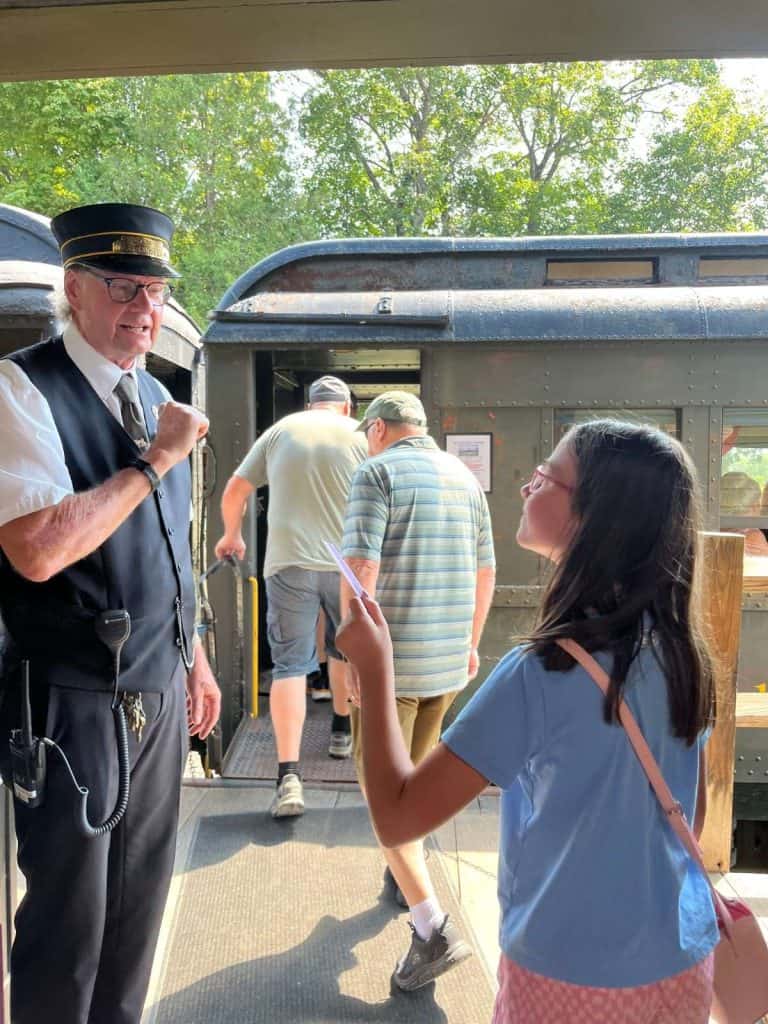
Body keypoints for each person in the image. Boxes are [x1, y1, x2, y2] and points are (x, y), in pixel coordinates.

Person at [337, 418, 719, 1020]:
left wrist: (375, 667)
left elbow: (397, 813)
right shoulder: (680, 649)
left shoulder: (542, 671)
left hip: (567, 973)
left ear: (592, 517)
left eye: (545, 477)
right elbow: (686, 816)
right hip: (680, 960)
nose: (527, 487)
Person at [0, 202, 221, 1024]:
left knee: (137, 910)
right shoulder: (22, 389)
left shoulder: (155, 393)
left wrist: (193, 656)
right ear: (75, 290)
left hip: (158, 688)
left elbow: (171, 541)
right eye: (125, 287)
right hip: (72, 697)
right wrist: (155, 458)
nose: (145, 307)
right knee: (70, 925)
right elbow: (38, 550)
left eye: (156, 290)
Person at [339, 390, 496, 991]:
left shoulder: (375, 473)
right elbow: (487, 571)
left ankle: (433, 930)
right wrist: (470, 642)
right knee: (416, 781)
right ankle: (399, 877)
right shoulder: (461, 474)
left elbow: (360, 570)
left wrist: (357, 661)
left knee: (384, 796)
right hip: (446, 665)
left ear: (377, 430)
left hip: (395, 671)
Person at [215, 375, 367, 818]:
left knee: (289, 668)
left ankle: (288, 778)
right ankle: (344, 733)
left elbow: (233, 491)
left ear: (309, 404)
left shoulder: (279, 432)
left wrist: (231, 536)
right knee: (349, 652)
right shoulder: (360, 435)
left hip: (287, 564)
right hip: (346, 565)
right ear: (346, 407)